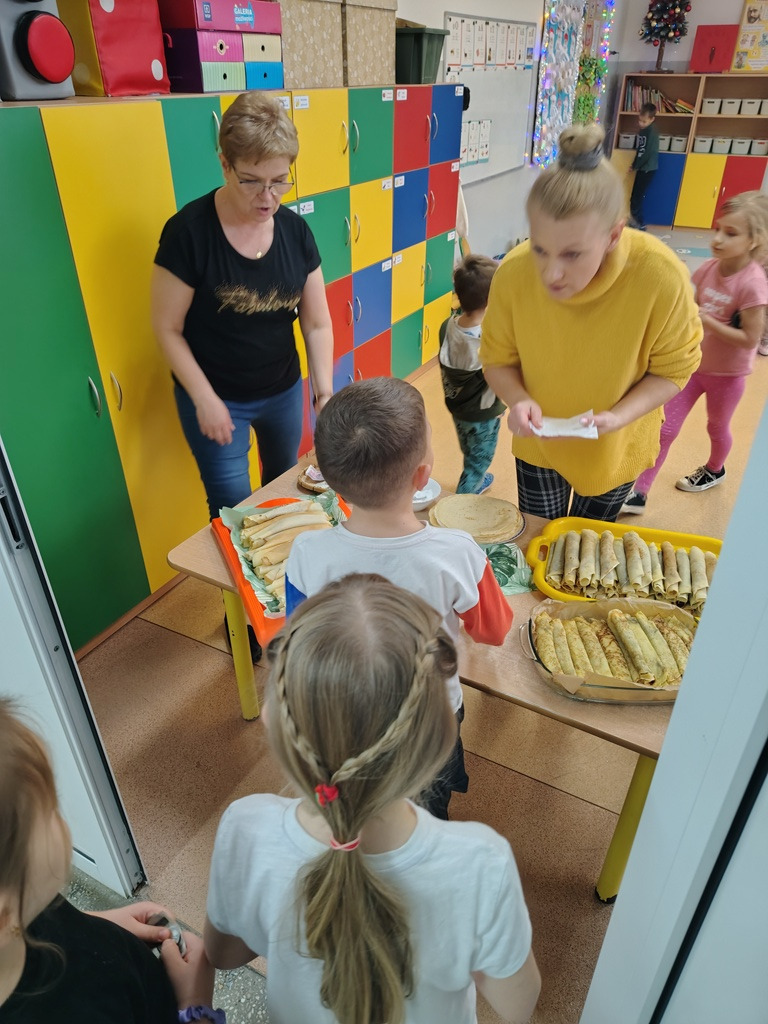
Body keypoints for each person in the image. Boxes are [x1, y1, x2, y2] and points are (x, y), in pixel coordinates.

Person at [204, 576, 540, 1024]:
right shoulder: (481, 863)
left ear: (274, 721)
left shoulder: (246, 828)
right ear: (438, 739)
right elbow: (518, 1005)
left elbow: (224, 954)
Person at [284, 377, 513, 820]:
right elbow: (494, 631)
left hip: (344, 720)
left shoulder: (306, 552)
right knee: (426, 813)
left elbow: (298, 641)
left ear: (331, 482)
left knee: (359, 807)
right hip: (430, 722)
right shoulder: (458, 551)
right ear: (423, 476)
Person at [480, 124, 702, 523]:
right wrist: (518, 399)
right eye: (540, 249)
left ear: (614, 235)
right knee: (539, 538)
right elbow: (497, 359)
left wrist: (619, 417)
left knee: (587, 542)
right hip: (540, 445)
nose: (551, 274)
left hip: (616, 445)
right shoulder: (513, 274)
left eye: (572, 254)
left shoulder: (661, 276)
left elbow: (673, 370)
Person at [151, 91, 334, 521]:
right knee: (232, 508)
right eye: (251, 181)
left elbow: (317, 323)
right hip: (217, 394)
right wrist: (204, 398)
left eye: (280, 181)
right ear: (225, 165)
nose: (267, 197)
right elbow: (166, 328)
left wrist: (323, 393)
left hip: (282, 389)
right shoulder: (188, 234)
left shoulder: (296, 233)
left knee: (282, 488)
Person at [0, 700, 221, 1023]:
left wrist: (100, 923)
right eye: (49, 811)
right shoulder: (81, 1012)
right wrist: (195, 1006)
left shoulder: (21, 904)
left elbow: (42, 920)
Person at [622, 192, 768, 514]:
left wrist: (709, 321)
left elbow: (749, 340)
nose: (718, 239)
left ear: (754, 240)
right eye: (718, 229)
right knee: (665, 429)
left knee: (716, 427)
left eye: (730, 233)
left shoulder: (752, 284)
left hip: (728, 376)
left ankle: (715, 469)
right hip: (691, 367)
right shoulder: (708, 269)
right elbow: (689, 307)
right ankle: (640, 492)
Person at [439, 254, 506, 495]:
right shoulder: (487, 341)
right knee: (480, 458)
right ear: (491, 299)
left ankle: (476, 474)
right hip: (483, 413)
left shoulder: (447, 326)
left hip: (458, 407)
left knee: (470, 448)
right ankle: (464, 498)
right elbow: (500, 377)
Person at [628, 103, 659, 231]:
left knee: (636, 198)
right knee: (635, 197)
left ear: (652, 119)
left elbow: (646, 153)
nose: (641, 123)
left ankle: (639, 224)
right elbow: (640, 150)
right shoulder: (644, 130)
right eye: (640, 120)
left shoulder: (650, 132)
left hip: (647, 169)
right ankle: (636, 221)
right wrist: (634, 164)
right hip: (643, 168)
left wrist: (636, 165)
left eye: (644, 121)